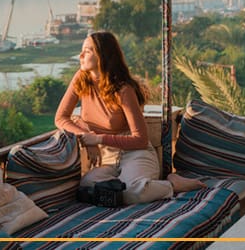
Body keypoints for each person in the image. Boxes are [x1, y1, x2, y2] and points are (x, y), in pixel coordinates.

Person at [55, 31, 205, 205]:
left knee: (133, 191)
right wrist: (87, 137)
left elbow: (140, 140)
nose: (81, 55)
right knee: (87, 186)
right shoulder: (81, 79)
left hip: (134, 153)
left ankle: (172, 184)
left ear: (102, 56)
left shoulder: (123, 89)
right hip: (107, 159)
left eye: (87, 51)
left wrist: (98, 138)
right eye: (82, 50)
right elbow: (61, 118)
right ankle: (127, 187)